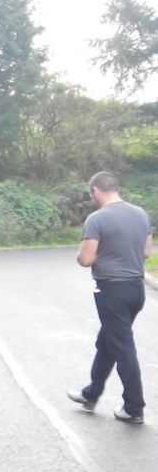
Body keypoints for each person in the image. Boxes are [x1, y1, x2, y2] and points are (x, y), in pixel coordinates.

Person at [67, 171, 153, 424]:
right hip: (136, 290)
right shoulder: (140, 214)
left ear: (95, 191)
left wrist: (85, 251)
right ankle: (90, 394)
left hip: (112, 290)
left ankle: (134, 407)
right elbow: (147, 252)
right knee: (108, 342)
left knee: (122, 346)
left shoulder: (97, 219)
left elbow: (85, 259)